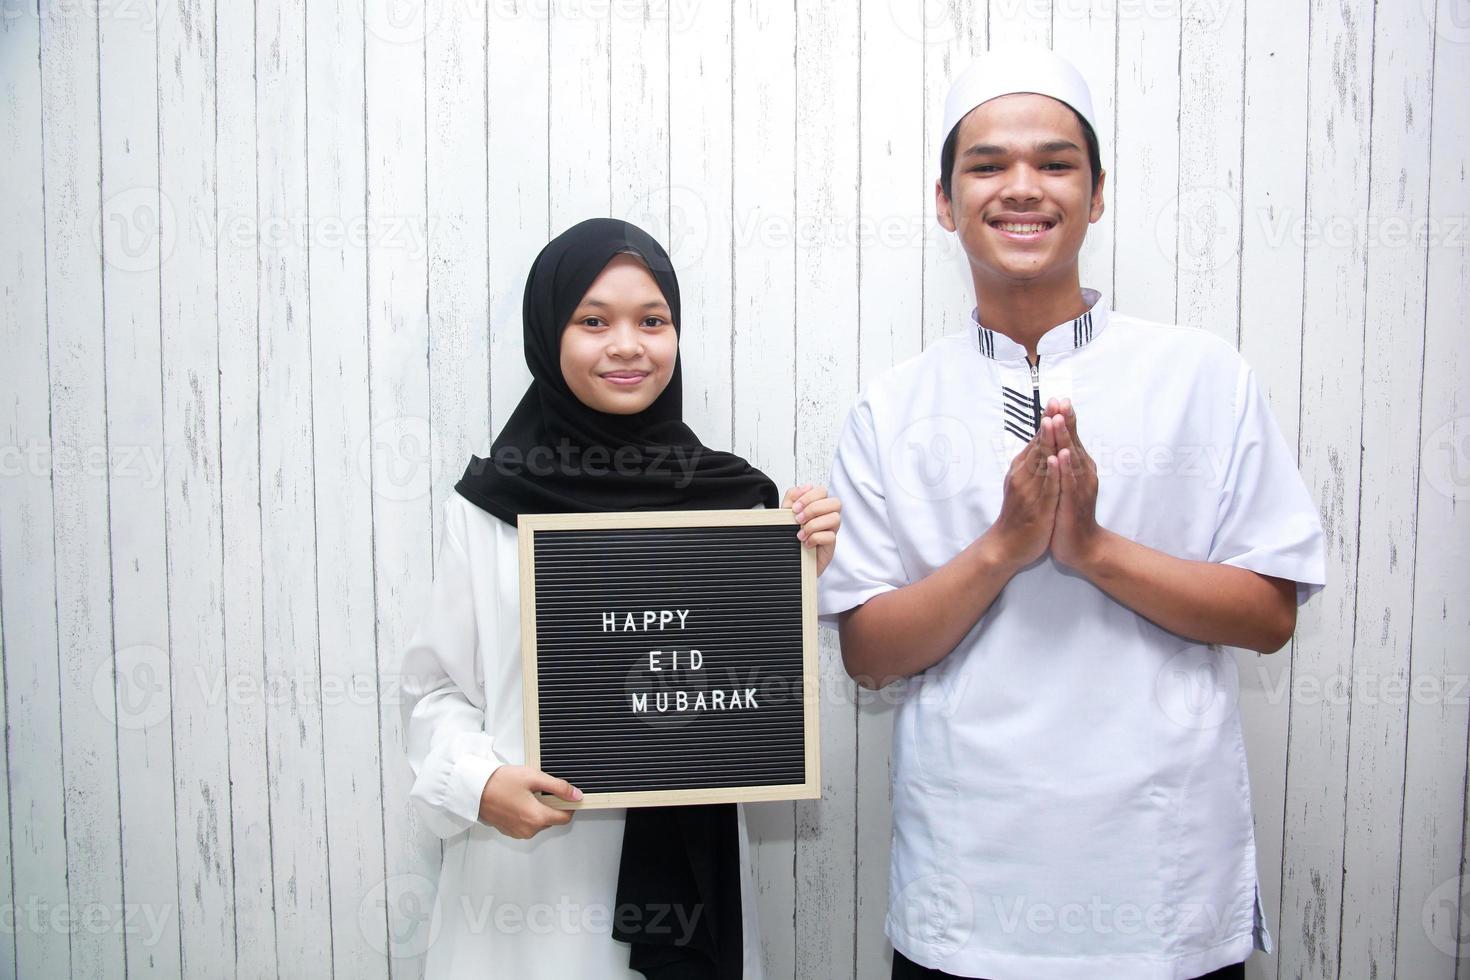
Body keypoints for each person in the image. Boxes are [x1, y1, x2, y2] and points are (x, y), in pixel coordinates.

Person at [817, 47, 1326, 980]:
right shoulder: (889, 409)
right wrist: (1005, 549)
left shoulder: (1201, 377)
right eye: (987, 165)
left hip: (1161, 884)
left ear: (1096, 197)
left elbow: (1270, 617)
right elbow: (869, 654)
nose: (1023, 189)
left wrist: (1091, 549)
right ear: (944, 201)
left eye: (1055, 165)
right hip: (967, 892)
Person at [399, 218, 842, 978]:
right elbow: (436, 689)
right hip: (526, 886)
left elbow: (740, 693)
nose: (629, 345)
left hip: (692, 891)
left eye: (653, 320)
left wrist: (801, 570)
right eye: (593, 320)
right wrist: (478, 783)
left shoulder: (733, 503)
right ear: (548, 332)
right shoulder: (488, 504)